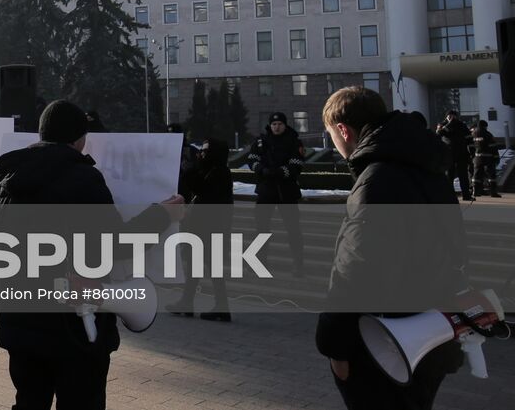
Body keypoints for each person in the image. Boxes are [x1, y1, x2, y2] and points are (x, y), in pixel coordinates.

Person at [0, 100, 184, 410]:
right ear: (81, 139)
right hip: (73, 327)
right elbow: (115, 244)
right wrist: (161, 216)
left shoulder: (4, 179)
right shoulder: (84, 179)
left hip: (20, 320)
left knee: (28, 402)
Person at [316, 88, 467, 410]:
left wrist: (334, 345)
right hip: (430, 328)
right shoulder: (426, 167)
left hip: (384, 340)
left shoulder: (377, 179)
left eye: (332, 135)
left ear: (344, 130)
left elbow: (355, 270)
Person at [169, 137, 234, 322]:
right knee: (195, 267)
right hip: (202, 227)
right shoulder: (211, 170)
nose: (202, 154)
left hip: (212, 228)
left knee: (212, 268)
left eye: (206, 151)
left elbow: (203, 190)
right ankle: (187, 302)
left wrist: (191, 170)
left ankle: (221, 306)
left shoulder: (220, 173)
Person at [247, 112, 306, 275]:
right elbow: (251, 159)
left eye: (280, 124)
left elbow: (297, 163)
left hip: (287, 191)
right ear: (270, 125)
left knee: (293, 229)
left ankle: (298, 264)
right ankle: (259, 261)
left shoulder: (294, 141)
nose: (276, 127)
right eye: (274, 124)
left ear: (285, 125)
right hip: (266, 190)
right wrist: (261, 170)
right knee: (261, 229)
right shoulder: (260, 142)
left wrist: (281, 172)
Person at [436, 111, 473, 201]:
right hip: (449, 154)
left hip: (461, 154)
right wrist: (449, 124)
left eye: (454, 116)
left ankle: (466, 195)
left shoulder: (461, 125)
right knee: (449, 176)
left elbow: (469, 138)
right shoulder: (442, 124)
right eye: (450, 116)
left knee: (463, 176)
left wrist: (471, 152)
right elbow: (438, 134)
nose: (452, 118)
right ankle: (449, 196)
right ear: (447, 117)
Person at [471, 119, 502, 198]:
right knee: (491, 175)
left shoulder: (473, 134)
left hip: (477, 158)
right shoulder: (488, 134)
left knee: (477, 175)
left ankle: (475, 191)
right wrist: (496, 157)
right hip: (488, 158)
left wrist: (472, 156)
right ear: (485, 126)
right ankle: (493, 192)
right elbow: (493, 147)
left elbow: (471, 146)